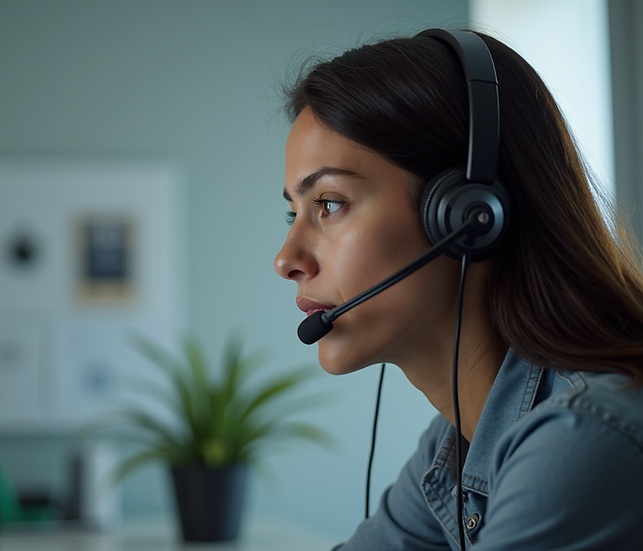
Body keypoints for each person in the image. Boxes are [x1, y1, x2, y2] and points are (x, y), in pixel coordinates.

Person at [274, 29, 643, 550]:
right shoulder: (455, 446)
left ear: (469, 215)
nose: (286, 260)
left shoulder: (582, 440)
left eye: (329, 205)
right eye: (293, 212)